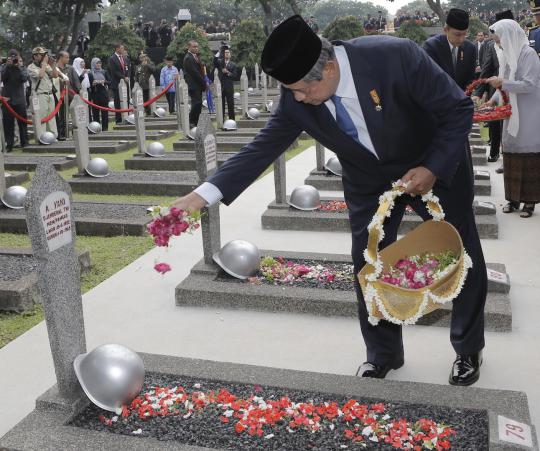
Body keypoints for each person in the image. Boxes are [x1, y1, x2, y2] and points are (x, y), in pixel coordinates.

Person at [171, 16, 487, 386]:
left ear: (330, 68)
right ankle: (383, 354)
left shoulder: (395, 55)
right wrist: (201, 194)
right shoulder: (297, 98)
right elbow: (262, 148)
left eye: (302, 90)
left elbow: (458, 111)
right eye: (291, 91)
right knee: (367, 263)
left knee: (460, 254)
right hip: (369, 179)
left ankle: (468, 348)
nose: (298, 99)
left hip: (432, 161)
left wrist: (432, 166)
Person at [485, 19, 540, 218]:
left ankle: (529, 203)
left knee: (529, 158)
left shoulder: (528, 54)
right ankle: (513, 200)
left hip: (528, 115)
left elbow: (529, 84)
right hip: (511, 113)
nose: (498, 43)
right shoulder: (507, 55)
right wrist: (492, 100)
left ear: (509, 36)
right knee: (510, 158)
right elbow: (503, 84)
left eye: (499, 39)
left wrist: (503, 83)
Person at [475, 9, 515, 165]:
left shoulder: (519, 45)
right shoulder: (491, 46)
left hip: (513, 91)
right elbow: (486, 69)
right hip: (495, 91)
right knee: (494, 123)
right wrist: (479, 91)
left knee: (509, 125)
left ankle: (508, 157)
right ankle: (494, 152)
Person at [423, 9, 477, 91]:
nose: (462, 39)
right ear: (446, 30)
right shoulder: (431, 47)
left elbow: (470, 79)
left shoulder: (470, 48)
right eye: (457, 34)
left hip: (461, 99)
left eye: (465, 34)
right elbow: (430, 79)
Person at [27, 47, 59, 139]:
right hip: (39, 95)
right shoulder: (31, 67)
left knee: (51, 117)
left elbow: (55, 75)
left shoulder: (46, 65)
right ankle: (42, 137)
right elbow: (40, 75)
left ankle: (52, 136)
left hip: (49, 94)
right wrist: (45, 63)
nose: (44, 57)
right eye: (42, 55)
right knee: (41, 117)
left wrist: (53, 65)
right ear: (35, 56)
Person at [1, 49, 29, 151]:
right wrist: (8, 66)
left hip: (19, 99)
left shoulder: (22, 67)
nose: (13, 60)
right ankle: (9, 144)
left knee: (22, 122)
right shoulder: (4, 67)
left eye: (15, 57)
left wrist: (18, 67)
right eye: (11, 57)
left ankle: (24, 142)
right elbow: (2, 78)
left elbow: (24, 78)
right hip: (7, 99)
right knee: (8, 123)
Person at [56, 51, 81, 140]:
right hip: (59, 96)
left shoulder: (70, 68)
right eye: (66, 57)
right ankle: (62, 134)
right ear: (61, 57)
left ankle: (75, 133)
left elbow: (76, 81)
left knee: (74, 115)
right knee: (61, 116)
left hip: (71, 95)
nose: (68, 59)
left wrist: (78, 93)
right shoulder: (55, 68)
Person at [183, 40, 207, 127]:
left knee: (198, 104)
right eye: (194, 47)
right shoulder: (188, 58)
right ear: (189, 47)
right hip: (193, 85)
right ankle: (191, 121)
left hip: (198, 85)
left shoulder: (195, 56)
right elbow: (195, 73)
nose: (196, 48)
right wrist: (204, 82)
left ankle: (195, 122)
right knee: (196, 103)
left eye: (197, 46)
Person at [108, 43, 130, 124]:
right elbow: (114, 71)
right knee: (118, 101)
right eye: (121, 48)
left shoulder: (125, 58)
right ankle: (118, 119)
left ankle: (127, 117)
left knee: (126, 99)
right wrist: (123, 77)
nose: (123, 50)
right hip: (117, 83)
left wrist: (127, 76)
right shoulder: (112, 58)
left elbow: (128, 68)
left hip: (126, 82)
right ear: (117, 49)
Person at [88, 57, 110, 131]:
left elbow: (109, 81)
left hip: (103, 94)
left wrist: (103, 82)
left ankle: (105, 128)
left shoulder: (104, 72)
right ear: (93, 64)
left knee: (105, 112)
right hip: (95, 94)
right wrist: (93, 84)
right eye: (97, 63)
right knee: (95, 113)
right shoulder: (90, 73)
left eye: (99, 63)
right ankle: (96, 128)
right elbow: (89, 84)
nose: (98, 64)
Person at [216, 47, 238, 120]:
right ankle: (221, 120)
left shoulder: (233, 64)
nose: (227, 54)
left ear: (230, 55)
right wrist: (219, 52)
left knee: (230, 104)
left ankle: (232, 120)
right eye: (225, 52)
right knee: (221, 104)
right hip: (221, 86)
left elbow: (235, 75)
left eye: (228, 53)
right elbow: (214, 61)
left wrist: (228, 72)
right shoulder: (220, 62)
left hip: (229, 87)